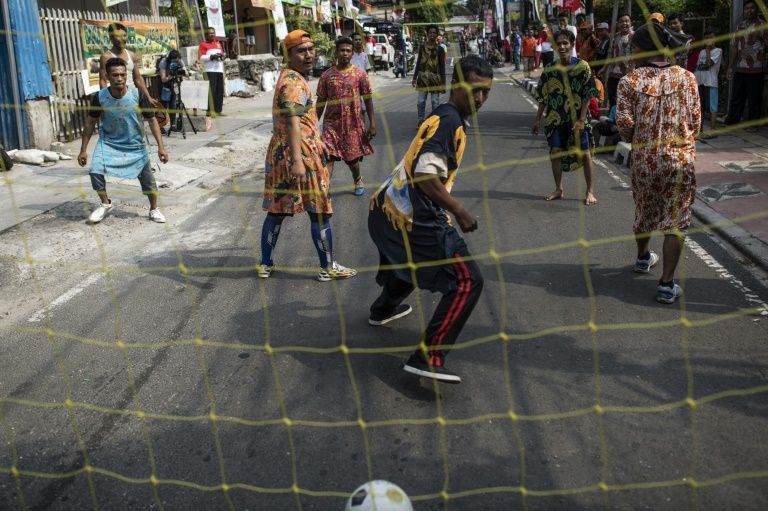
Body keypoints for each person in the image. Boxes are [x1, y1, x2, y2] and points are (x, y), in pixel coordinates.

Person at [367, 55, 493, 384]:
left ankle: (382, 309)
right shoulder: (449, 122)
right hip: (412, 215)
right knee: (468, 280)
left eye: (486, 93)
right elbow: (425, 176)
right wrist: (458, 210)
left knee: (411, 261)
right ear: (456, 84)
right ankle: (429, 355)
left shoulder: (444, 116)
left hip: (385, 210)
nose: (479, 99)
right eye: (474, 90)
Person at [258, 30, 356, 281]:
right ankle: (327, 267)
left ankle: (265, 264)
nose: (309, 55)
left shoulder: (290, 77)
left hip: (282, 153)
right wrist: (299, 162)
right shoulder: (293, 83)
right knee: (319, 211)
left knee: (277, 211)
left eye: (311, 49)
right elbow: (292, 123)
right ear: (288, 54)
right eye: (301, 51)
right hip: (300, 155)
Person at [616, 23, 701, 304]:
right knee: (676, 221)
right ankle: (666, 285)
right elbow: (696, 122)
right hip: (679, 161)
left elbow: (625, 126)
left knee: (644, 210)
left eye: (634, 47)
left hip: (645, 161)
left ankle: (642, 259)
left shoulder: (629, 81)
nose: (631, 52)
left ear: (643, 49)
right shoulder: (687, 78)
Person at [78, 57, 168, 224]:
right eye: (115, 75)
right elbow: (90, 122)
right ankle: (105, 203)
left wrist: (161, 147)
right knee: (95, 170)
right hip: (109, 143)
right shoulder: (100, 97)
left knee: (147, 178)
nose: (119, 78)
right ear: (108, 76)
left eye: (122, 75)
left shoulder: (137, 94)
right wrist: (83, 149)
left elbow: (152, 120)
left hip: (135, 144)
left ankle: (154, 208)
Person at [532, 30, 598, 205]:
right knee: (555, 152)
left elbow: (588, 94)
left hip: (578, 118)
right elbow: (543, 96)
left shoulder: (583, 67)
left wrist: (582, 120)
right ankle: (558, 188)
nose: (562, 47)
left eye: (565, 43)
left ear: (571, 44)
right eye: (558, 44)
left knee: (585, 154)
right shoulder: (550, 69)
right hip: (555, 117)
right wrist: (537, 119)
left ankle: (590, 191)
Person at [316, 37, 376, 197]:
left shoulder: (360, 74)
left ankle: (357, 179)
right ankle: (325, 188)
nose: (345, 53)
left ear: (352, 53)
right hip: (331, 125)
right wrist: (313, 123)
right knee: (328, 156)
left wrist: (372, 124)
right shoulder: (326, 76)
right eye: (342, 50)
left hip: (352, 125)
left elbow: (368, 100)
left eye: (348, 51)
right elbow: (321, 101)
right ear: (336, 52)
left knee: (352, 160)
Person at [725, 0, 768, 131]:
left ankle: (752, 124)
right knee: (737, 96)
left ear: (756, 10)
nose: (749, 11)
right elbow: (734, 48)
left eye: (751, 8)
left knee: (754, 97)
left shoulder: (762, 25)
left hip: (756, 68)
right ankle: (732, 121)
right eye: (747, 8)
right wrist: (730, 67)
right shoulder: (740, 26)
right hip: (740, 67)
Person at [99, 23, 160, 109]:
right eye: (118, 36)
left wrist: (148, 97)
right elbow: (103, 80)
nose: (122, 39)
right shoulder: (106, 57)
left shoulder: (131, 55)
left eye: (124, 35)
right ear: (111, 38)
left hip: (132, 97)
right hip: (115, 99)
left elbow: (138, 79)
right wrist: (104, 101)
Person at [412, 25, 446, 127]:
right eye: (430, 32)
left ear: (437, 35)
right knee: (420, 102)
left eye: (434, 33)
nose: (432, 34)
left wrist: (443, 83)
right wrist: (414, 78)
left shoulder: (440, 49)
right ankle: (420, 121)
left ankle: (434, 123)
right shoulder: (422, 48)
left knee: (435, 102)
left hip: (435, 79)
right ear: (427, 34)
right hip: (422, 78)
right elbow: (418, 63)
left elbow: (442, 66)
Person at [598, 14, 634, 108]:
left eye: (627, 21)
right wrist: (604, 68)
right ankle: (613, 118)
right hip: (614, 73)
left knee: (626, 99)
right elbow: (610, 54)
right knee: (612, 97)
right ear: (618, 24)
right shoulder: (615, 37)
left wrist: (633, 71)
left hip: (628, 74)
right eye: (622, 21)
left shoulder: (633, 36)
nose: (624, 23)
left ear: (630, 23)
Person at [694, 31, 722, 137]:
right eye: (706, 38)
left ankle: (712, 129)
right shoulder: (701, 52)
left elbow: (709, 64)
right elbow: (699, 66)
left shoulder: (718, 51)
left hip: (711, 82)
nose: (708, 40)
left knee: (712, 108)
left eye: (711, 38)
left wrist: (708, 50)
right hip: (700, 82)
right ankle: (699, 130)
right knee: (700, 106)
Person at [157, 49, 188, 133]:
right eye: (173, 61)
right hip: (164, 85)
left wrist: (183, 72)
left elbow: (186, 72)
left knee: (173, 105)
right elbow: (163, 79)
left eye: (177, 61)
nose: (175, 63)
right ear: (170, 59)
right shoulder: (163, 62)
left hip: (173, 84)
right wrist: (171, 75)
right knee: (163, 106)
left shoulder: (179, 60)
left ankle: (173, 125)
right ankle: (160, 126)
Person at [199, 27, 226, 119]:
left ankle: (218, 110)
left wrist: (222, 56)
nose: (212, 35)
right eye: (210, 33)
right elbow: (201, 57)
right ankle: (209, 111)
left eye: (213, 33)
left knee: (219, 91)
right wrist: (211, 56)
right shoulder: (203, 44)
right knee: (211, 91)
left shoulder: (218, 44)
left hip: (219, 70)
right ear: (206, 35)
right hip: (209, 71)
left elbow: (222, 54)